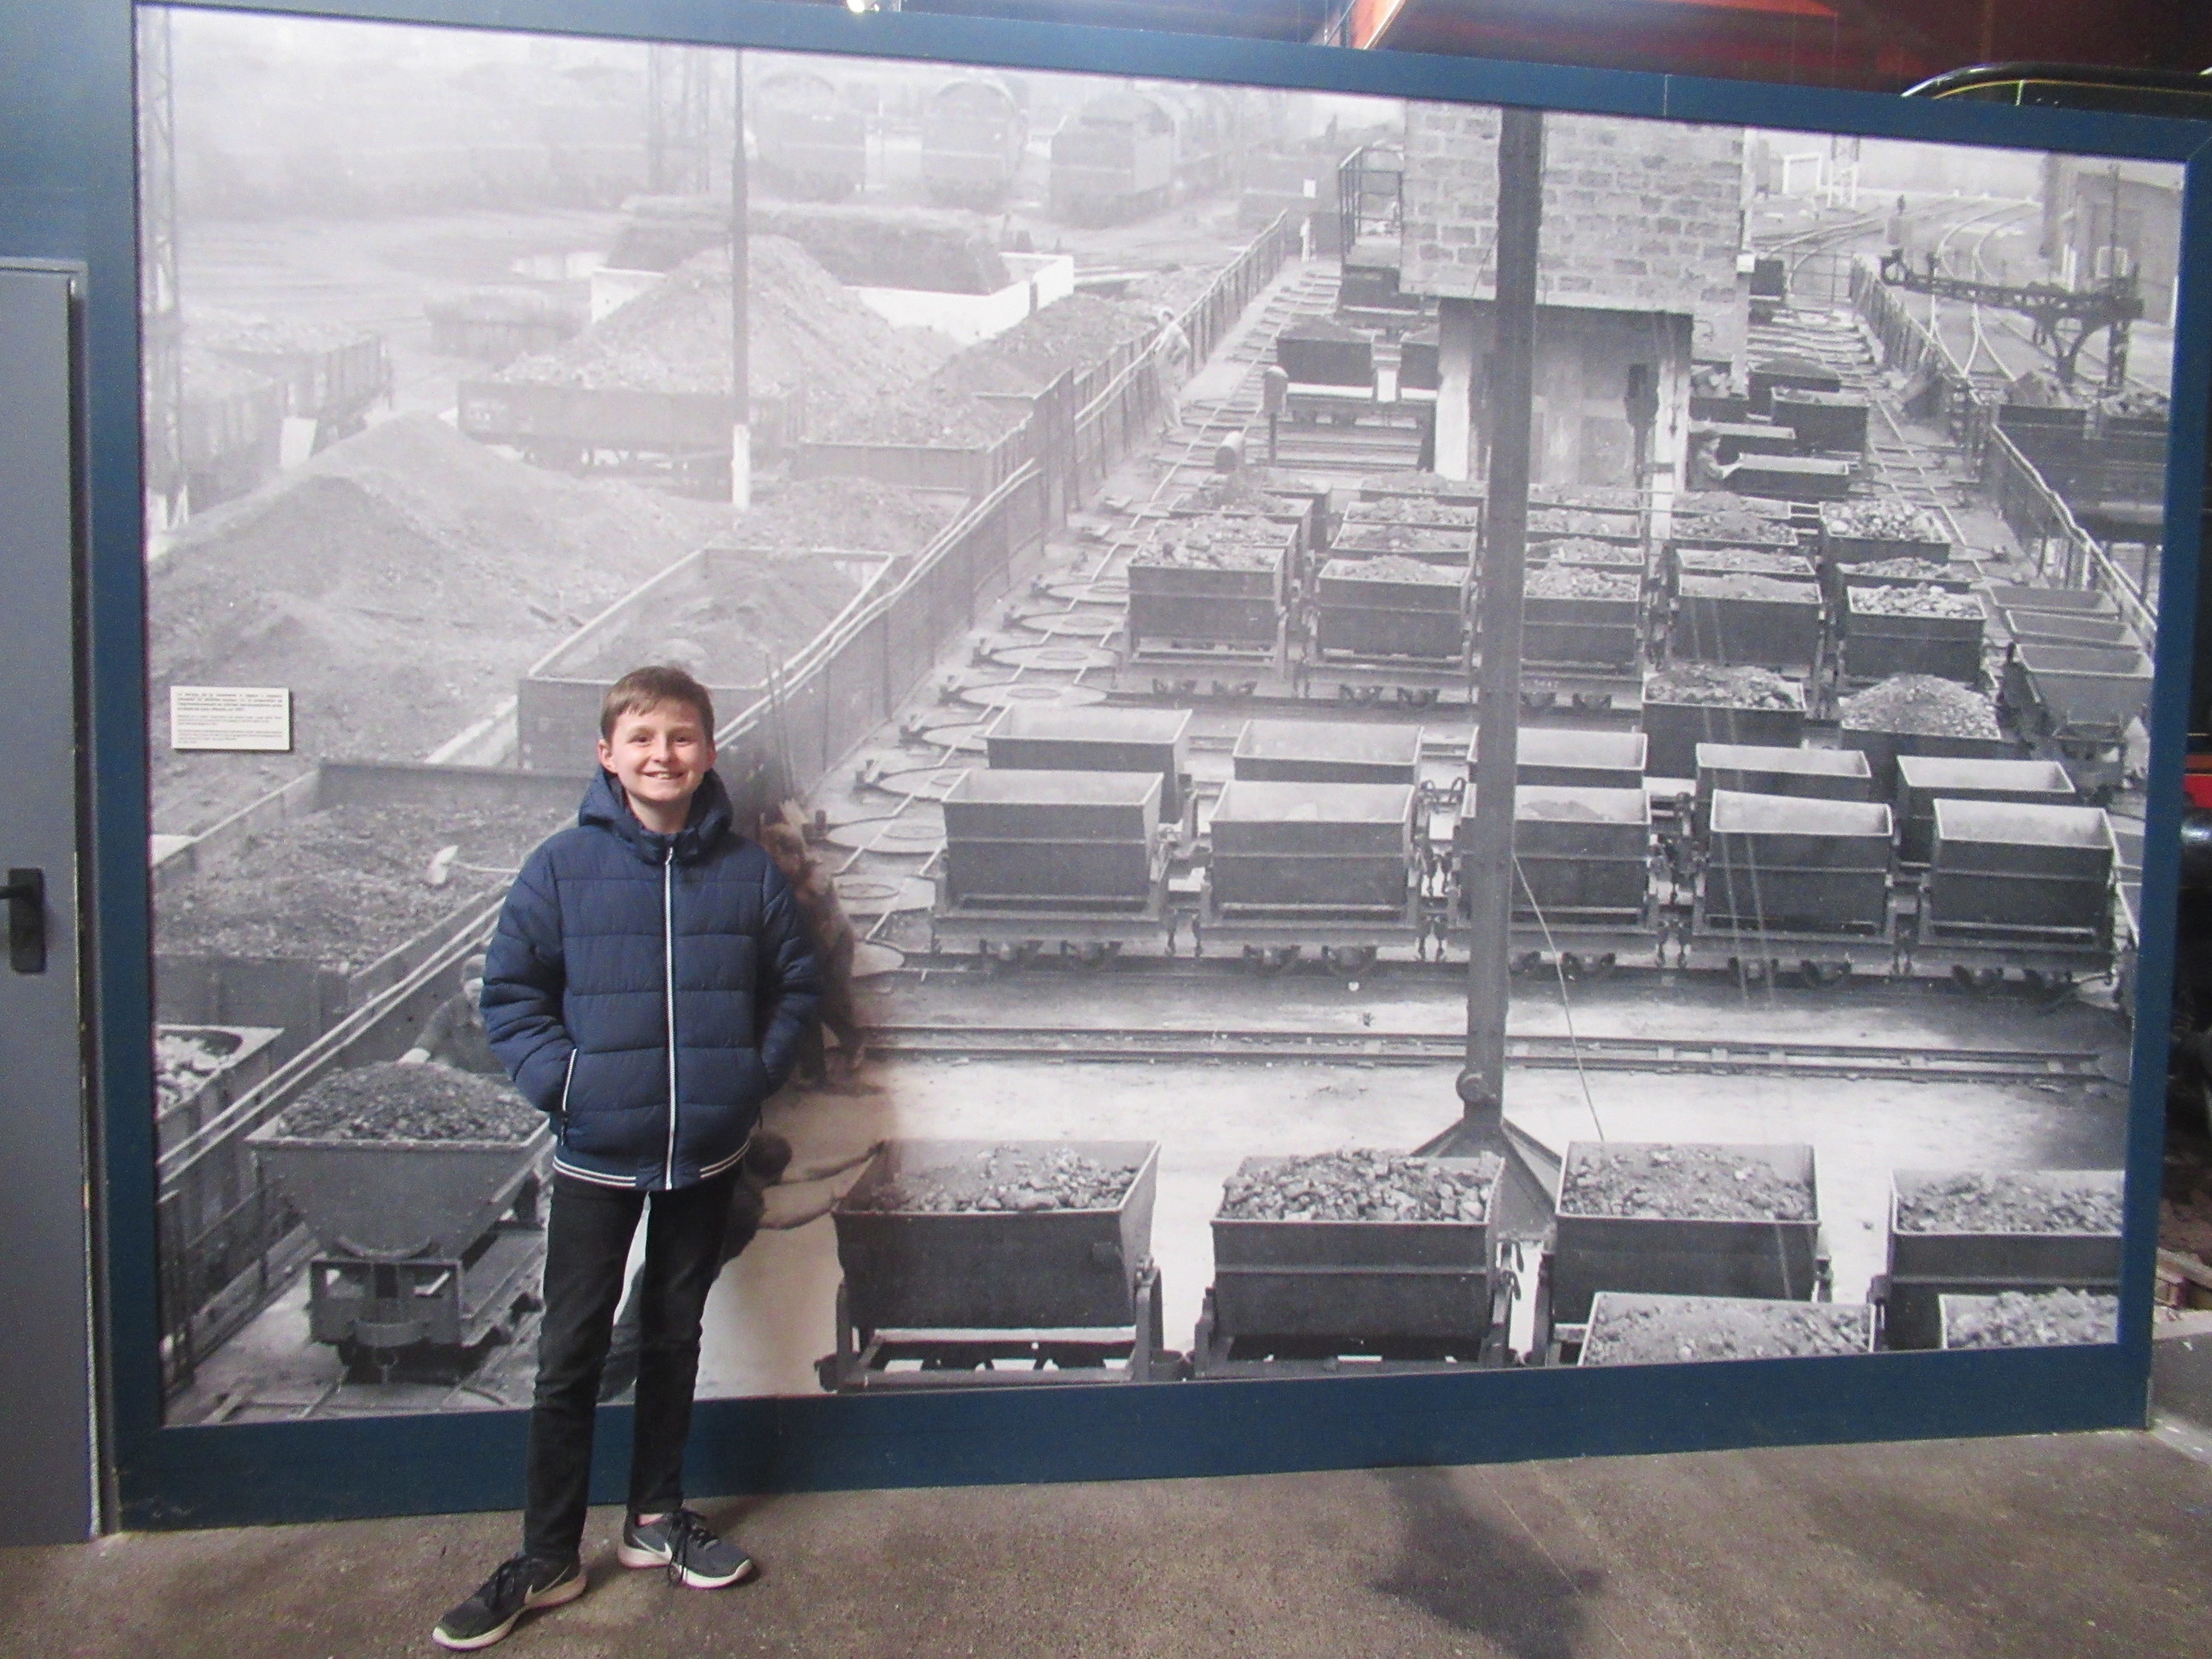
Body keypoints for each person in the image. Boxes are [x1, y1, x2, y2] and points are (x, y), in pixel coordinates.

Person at [433, 665, 818, 1652]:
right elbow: (509, 996)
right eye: (642, 738)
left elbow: (794, 984)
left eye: (681, 737)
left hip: (707, 1153)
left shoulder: (747, 874)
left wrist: (746, 1079)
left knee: (672, 1335)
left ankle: (655, 1520)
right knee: (569, 1354)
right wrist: (568, 1085)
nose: (662, 755)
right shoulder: (560, 869)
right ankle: (548, 1557)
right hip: (597, 1156)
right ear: (607, 754)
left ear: (708, 753)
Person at [399, 953, 503, 1075]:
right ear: (464, 987)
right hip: (465, 1078)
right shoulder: (452, 1009)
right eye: (475, 990)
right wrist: (403, 1069)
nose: (482, 996)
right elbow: (427, 1041)